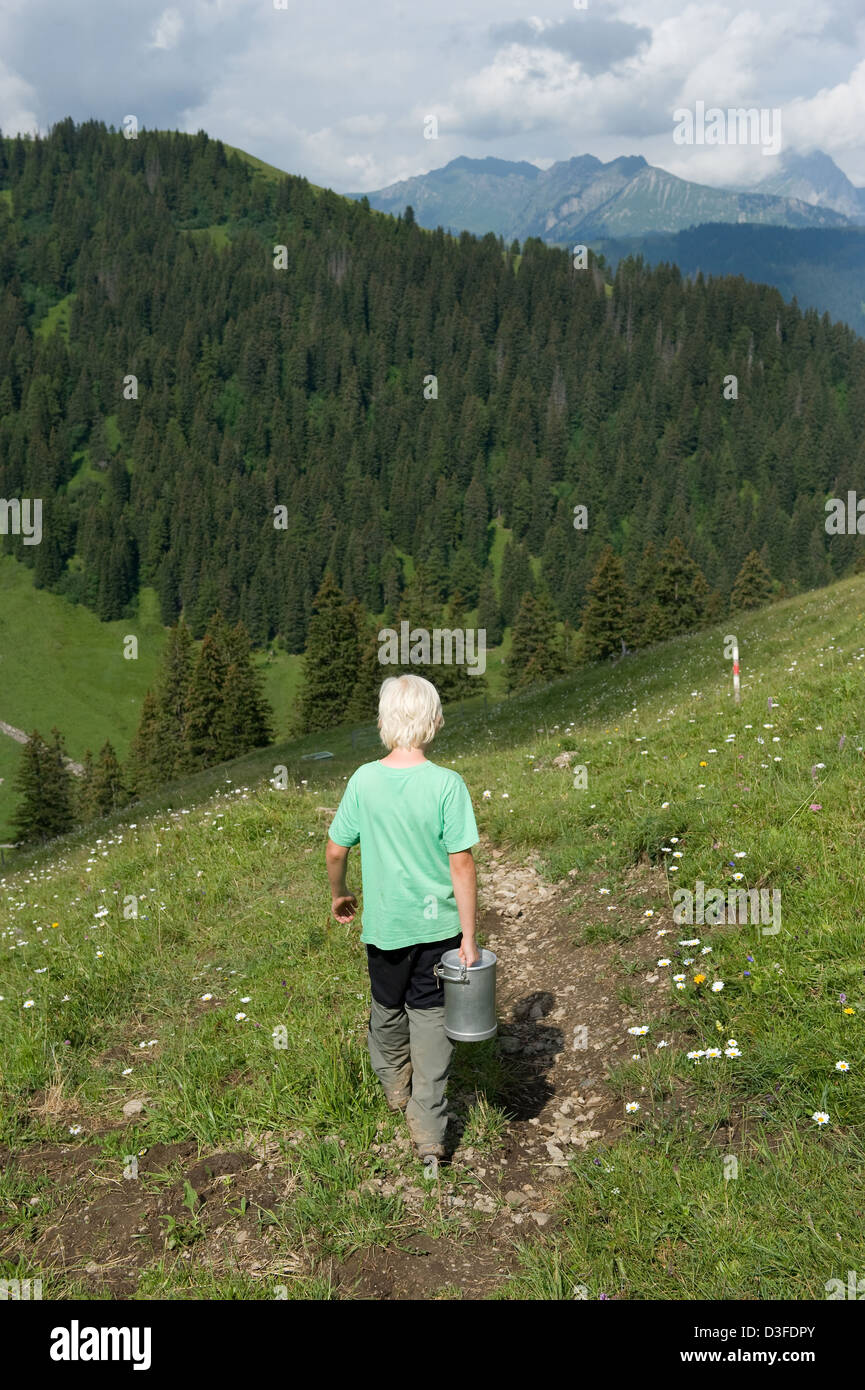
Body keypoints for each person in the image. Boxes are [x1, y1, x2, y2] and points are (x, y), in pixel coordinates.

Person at [326, 673, 480, 1162]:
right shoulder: (447, 785)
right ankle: (428, 1126)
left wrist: (340, 893)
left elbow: (335, 849)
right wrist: (470, 936)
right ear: (434, 722)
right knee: (433, 1020)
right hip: (439, 932)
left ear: (382, 723)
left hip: (386, 930)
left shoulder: (364, 780)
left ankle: (394, 1081)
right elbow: (462, 864)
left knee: (385, 1005)